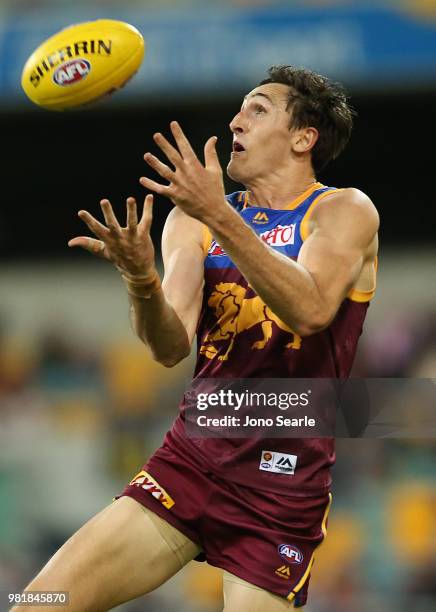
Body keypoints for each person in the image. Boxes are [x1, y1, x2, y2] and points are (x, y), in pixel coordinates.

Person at [13, 65, 379, 611]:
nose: (237, 120)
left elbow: (310, 309)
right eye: (240, 108)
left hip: (281, 489)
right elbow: (169, 348)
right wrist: (140, 279)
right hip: (190, 462)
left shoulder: (343, 210)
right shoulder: (194, 219)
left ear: (304, 138)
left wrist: (219, 215)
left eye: (258, 109)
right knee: (37, 604)